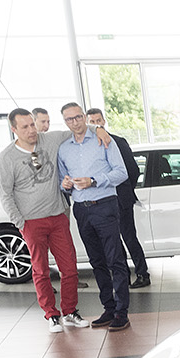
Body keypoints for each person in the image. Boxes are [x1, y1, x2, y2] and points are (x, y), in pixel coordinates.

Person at [0, 107, 111, 333]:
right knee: (40, 271)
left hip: (58, 216)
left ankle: (69, 312)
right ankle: (51, 315)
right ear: (14, 129)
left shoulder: (50, 140)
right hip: (31, 222)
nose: (32, 130)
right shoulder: (6, 157)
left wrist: (99, 129)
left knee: (69, 268)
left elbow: (78, 128)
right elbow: (5, 195)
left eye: (32, 124)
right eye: (25, 127)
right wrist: (21, 224)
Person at [56, 102, 130, 331]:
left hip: (104, 205)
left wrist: (94, 181)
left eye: (78, 117)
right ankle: (108, 308)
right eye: (70, 119)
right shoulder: (63, 149)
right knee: (96, 261)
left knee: (115, 260)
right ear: (65, 122)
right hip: (81, 209)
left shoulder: (103, 140)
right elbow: (62, 181)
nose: (75, 122)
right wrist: (65, 184)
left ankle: (122, 312)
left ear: (84, 117)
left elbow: (122, 172)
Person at [85, 108, 149, 288]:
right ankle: (122, 276)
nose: (96, 124)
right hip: (102, 200)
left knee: (129, 237)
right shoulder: (87, 147)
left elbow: (133, 170)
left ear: (104, 121)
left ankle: (143, 273)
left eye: (98, 120)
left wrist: (124, 190)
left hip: (121, 199)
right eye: (92, 121)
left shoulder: (118, 142)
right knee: (112, 241)